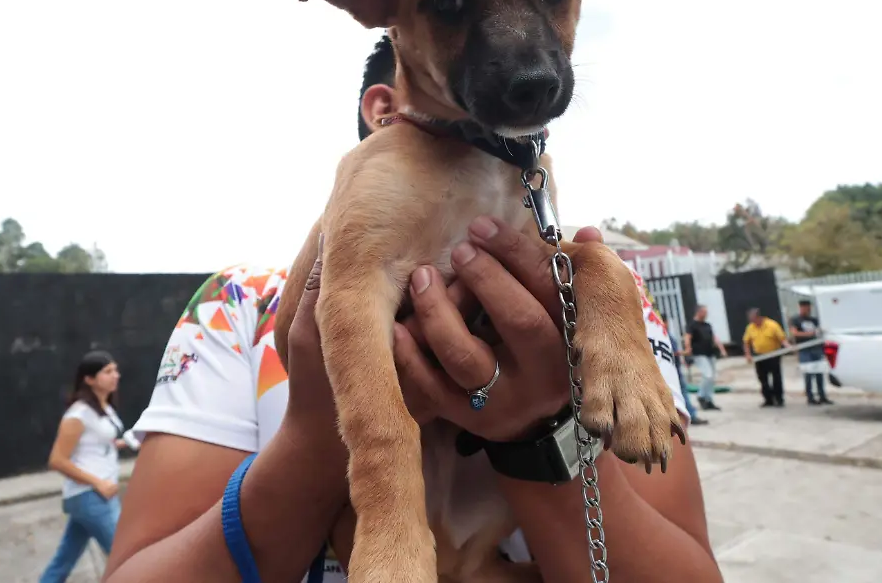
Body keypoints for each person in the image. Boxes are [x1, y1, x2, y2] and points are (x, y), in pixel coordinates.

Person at [104, 35, 722, 583]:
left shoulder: (614, 308)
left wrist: (541, 432)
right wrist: (320, 438)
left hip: (485, 551)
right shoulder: (235, 309)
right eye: (451, 12)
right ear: (384, 109)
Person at [39, 350, 127, 583]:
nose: (115, 375)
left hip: (93, 496)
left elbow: (95, 445)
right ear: (89, 379)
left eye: (115, 370)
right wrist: (98, 483)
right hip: (91, 496)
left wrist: (121, 443)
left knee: (63, 562)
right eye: (107, 372)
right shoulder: (78, 414)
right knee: (126, 558)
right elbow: (57, 460)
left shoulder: (104, 408)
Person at [663, 313, 707, 426]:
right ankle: (689, 415)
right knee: (681, 394)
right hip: (670, 372)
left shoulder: (668, 335)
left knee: (683, 393)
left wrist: (683, 359)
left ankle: (689, 415)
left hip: (676, 369)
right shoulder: (663, 335)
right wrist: (682, 353)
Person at [742, 308, 791, 408]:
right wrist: (747, 354)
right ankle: (768, 399)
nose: (752, 322)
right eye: (750, 320)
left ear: (758, 317)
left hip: (773, 354)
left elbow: (782, 339)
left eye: (753, 319)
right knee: (762, 378)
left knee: (776, 377)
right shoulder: (750, 327)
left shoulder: (772, 325)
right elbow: (746, 342)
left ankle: (779, 399)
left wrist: (788, 347)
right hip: (759, 356)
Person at [683, 305, 727, 411]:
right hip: (699, 354)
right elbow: (687, 337)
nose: (706, 314)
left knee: (712, 377)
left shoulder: (707, 325)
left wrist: (722, 349)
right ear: (698, 312)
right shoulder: (692, 325)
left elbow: (714, 337)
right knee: (707, 375)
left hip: (710, 353)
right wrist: (688, 349)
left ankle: (709, 399)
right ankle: (701, 396)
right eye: (704, 312)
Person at [790, 300, 833, 406]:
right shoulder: (795, 319)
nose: (807, 310)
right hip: (804, 349)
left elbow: (820, 332)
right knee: (808, 373)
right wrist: (810, 334)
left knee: (819, 372)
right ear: (800, 308)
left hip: (816, 348)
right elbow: (795, 333)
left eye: (808, 308)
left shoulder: (814, 320)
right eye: (804, 308)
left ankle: (822, 395)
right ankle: (810, 396)